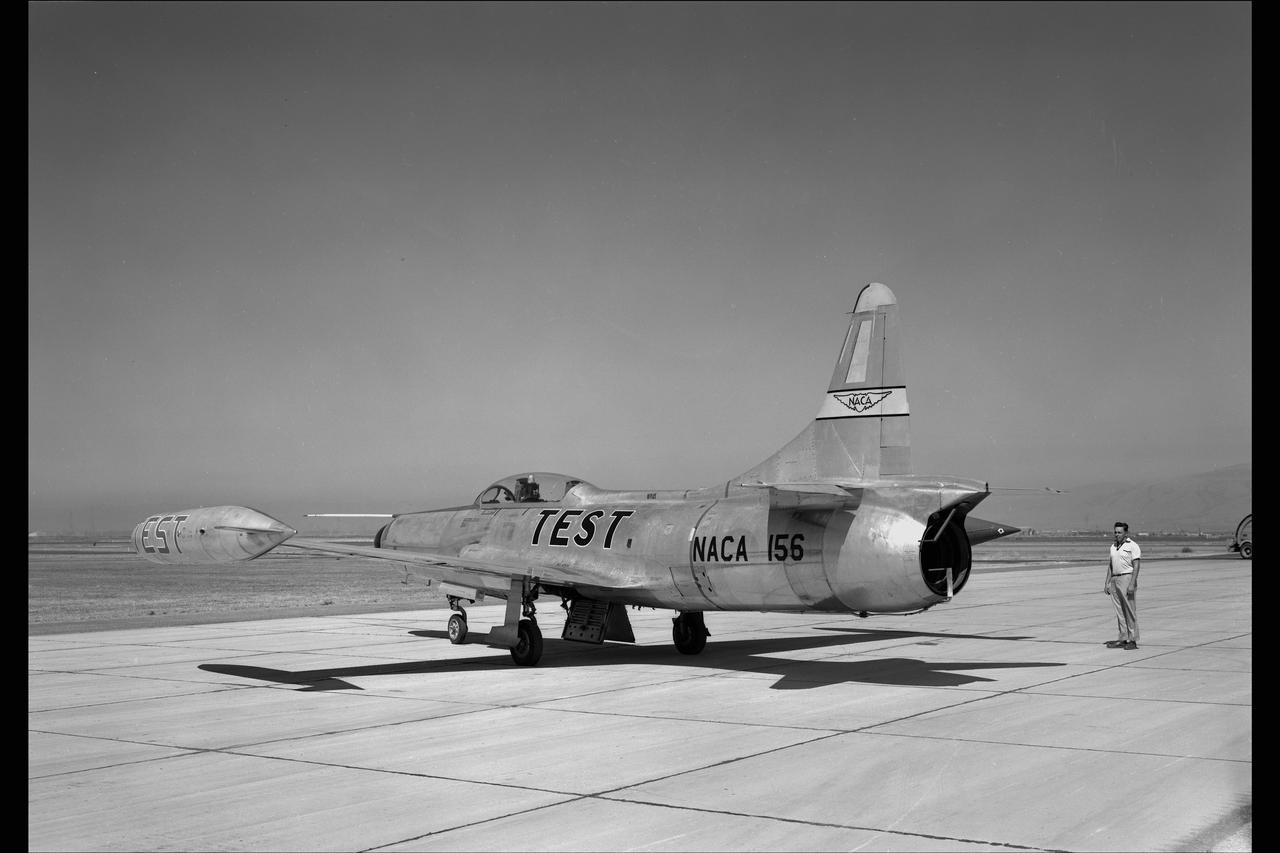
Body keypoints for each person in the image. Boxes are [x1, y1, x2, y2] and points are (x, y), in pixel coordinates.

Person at [1104, 521, 1141, 649]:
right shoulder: (1113, 546)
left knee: (1130, 610)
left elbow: (1136, 565)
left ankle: (1133, 639)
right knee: (1119, 611)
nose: (1117, 534)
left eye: (1119, 532)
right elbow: (1110, 565)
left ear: (1126, 533)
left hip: (1127, 578)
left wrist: (1132, 583)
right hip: (1115, 579)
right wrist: (1107, 582)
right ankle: (1123, 638)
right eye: (1115, 532)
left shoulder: (1132, 546)